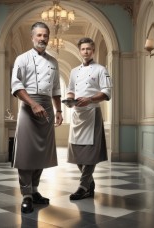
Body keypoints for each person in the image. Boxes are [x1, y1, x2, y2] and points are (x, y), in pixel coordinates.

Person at [11, 22, 63, 213]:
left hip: (47, 106)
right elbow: (16, 86)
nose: (43, 39)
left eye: (45, 36)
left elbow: (56, 89)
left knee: (41, 153)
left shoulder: (53, 62)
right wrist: (33, 104)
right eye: (39, 35)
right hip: (28, 106)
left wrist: (58, 111)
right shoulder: (22, 59)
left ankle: (34, 191)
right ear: (32, 37)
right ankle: (25, 195)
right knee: (26, 153)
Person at [65, 37, 112, 200]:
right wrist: (70, 100)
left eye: (89, 49)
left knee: (90, 152)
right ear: (80, 51)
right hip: (77, 114)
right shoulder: (74, 71)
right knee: (77, 152)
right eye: (83, 49)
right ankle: (90, 183)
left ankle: (82, 186)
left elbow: (106, 93)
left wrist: (90, 99)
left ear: (93, 51)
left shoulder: (101, 69)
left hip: (92, 113)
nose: (86, 51)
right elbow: (71, 90)